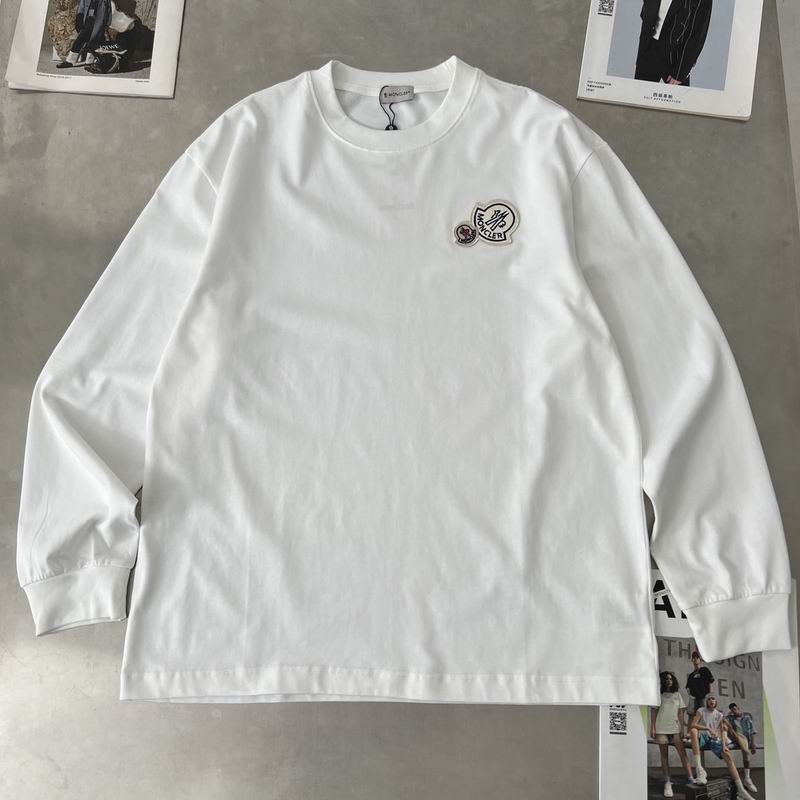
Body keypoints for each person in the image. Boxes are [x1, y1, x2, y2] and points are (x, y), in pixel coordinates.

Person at [689, 695, 756, 800]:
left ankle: (741, 790)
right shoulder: (701, 710)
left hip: (714, 739)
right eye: (709, 699)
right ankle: (699, 769)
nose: (711, 700)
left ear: (716, 701)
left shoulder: (719, 714)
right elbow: (693, 724)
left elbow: (722, 730)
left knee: (728, 755)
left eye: (713, 699)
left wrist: (724, 745)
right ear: (707, 702)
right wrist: (707, 728)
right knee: (693, 731)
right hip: (703, 736)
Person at [635, 0, 713, 86]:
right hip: (648, 49)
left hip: (675, 58)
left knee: (678, 94)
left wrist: (681, 72)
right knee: (640, 93)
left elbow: (696, 36)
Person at [650, 671, 696, 797]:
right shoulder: (657, 695)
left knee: (683, 754)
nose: (669, 681)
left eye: (670, 679)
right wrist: (652, 727)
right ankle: (667, 782)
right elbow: (654, 712)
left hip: (675, 729)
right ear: (662, 681)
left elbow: (680, 713)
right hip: (661, 728)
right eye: (666, 679)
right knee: (664, 756)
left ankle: (691, 779)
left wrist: (682, 729)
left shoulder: (677, 695)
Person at [725, 703, 759, 794]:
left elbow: (752, 731)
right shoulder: (730, 718)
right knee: (729, 727)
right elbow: (722, 719)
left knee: (745, 752)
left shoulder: (746, 718)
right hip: (735, 737)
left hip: (745, 739)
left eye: (735, 709)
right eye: (732, 710)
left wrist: (753, 744)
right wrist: (728, 715)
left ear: (738, 708)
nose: (734, 711)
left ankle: (747, 778)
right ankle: (747, 779)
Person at [685, 650, 715, 716]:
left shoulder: (704, 670)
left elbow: (710, 682)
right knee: (692, 716)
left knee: (704, 715)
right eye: (694, 658)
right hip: (694, 700)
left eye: (697, 658)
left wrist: (709, 696)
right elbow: (687, 687)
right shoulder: (691, 675)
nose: (695, 659)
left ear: (700, 660)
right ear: (692, 660)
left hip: (704, 698)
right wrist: (691, 696)